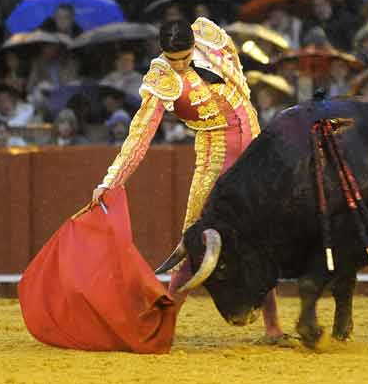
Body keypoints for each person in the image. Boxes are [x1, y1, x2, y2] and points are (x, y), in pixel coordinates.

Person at [90, 18, 289, 345]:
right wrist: (112, 181)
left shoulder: (209, 35)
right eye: (174, 60)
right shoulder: (161, 77)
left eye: (185, 57)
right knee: (192, 241)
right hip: (215, 154)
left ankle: (273, 327)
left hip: (254, 147)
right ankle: (163, 327)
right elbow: (140, 135)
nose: (180, 66)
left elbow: (238, 74)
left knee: (261, 236)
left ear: (193, 45)